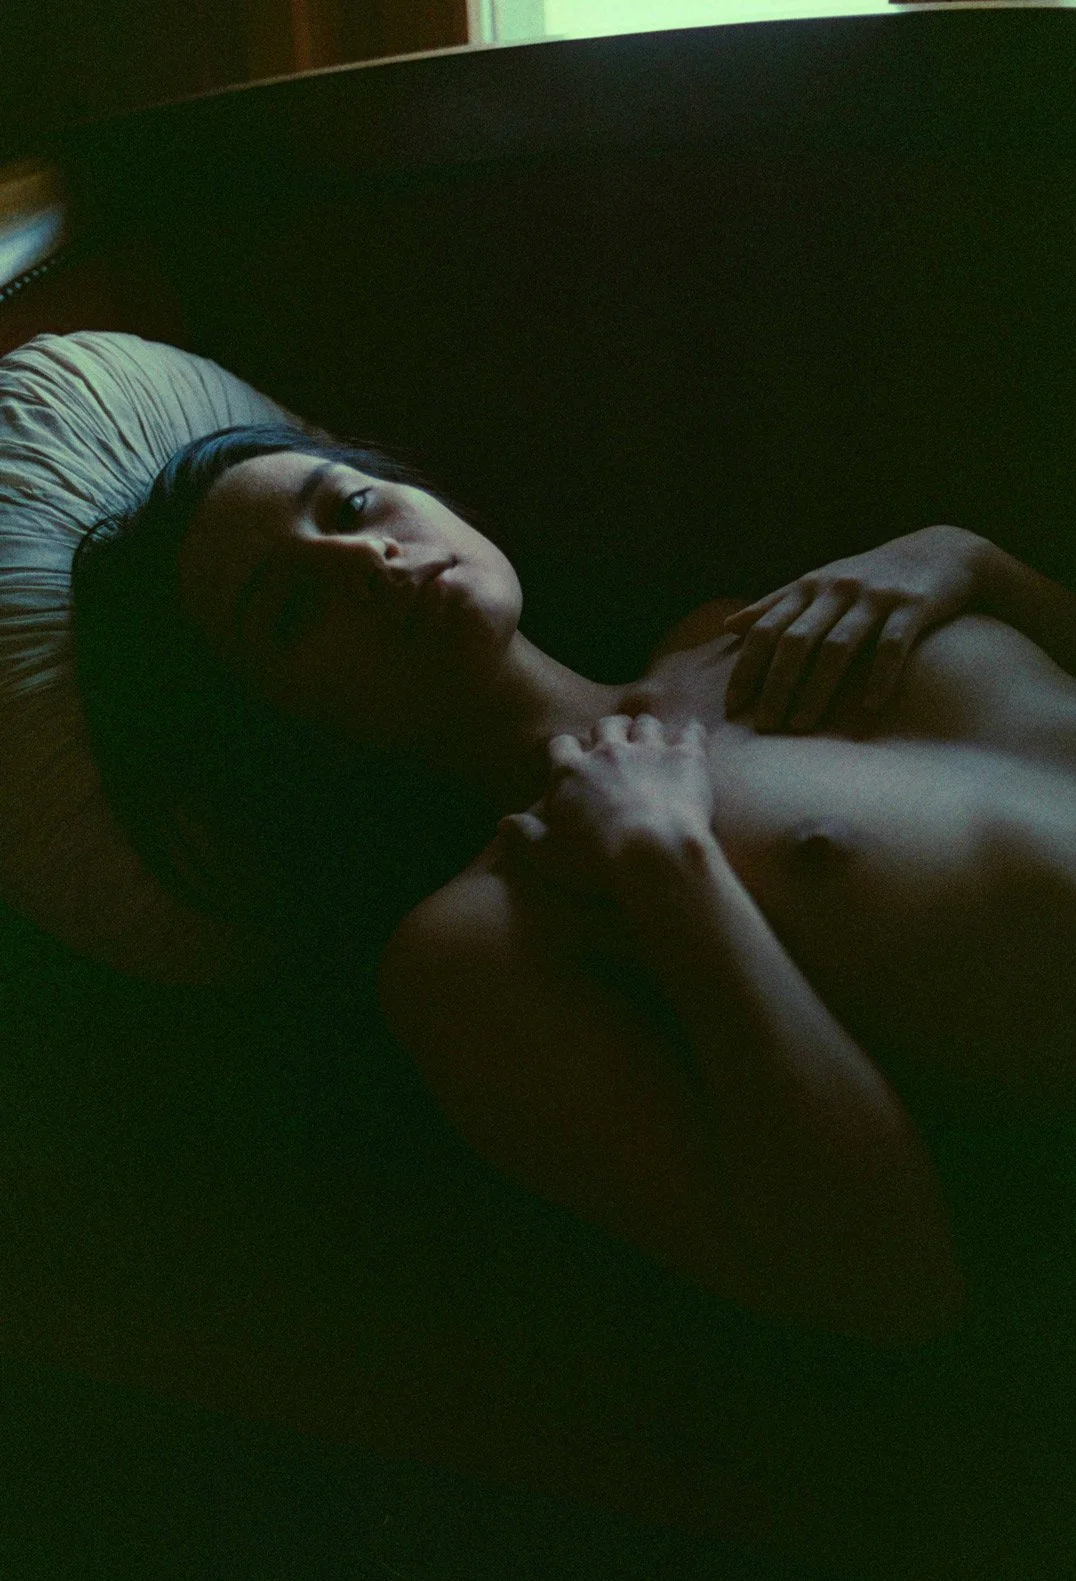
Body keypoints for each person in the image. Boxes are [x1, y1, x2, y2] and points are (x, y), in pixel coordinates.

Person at [72, 423, 1076, 1346]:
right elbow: (886, 1285)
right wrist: (663, 865)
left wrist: (974, 563)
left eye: (350, 506)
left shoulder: (736, 629)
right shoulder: (480, 940)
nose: (369, 560)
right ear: (278, 733)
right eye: (293, 609)